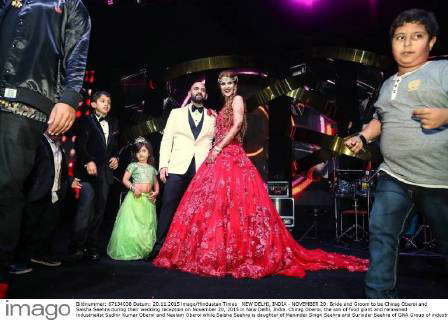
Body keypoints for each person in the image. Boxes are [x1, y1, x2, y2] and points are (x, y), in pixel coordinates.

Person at [153, 70, 368, 279]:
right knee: (216, 208)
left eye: (229, 83)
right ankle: (201, 249)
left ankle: (233, 253)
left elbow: (237, 124)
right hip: (207, 161)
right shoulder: (215, 110)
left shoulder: (237, 100)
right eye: (223, 84)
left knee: (235, 206)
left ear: (235, 84)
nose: (227, 87)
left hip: (229, 156)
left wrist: (218, 148)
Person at [345, 9, 448, 298]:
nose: (407, 44)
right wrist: (363, 137)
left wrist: (445, 115)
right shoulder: (388, 83)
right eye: (400, 37)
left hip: (438, 180)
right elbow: (382, 118)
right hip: (394, 174)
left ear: (431, 42)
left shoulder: (442, 71)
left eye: (416, 36)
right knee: (381, 233)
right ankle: (378, 300)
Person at [0, 0, 90, 296]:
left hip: (25, 101)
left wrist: (69, 97)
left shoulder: (69, 3)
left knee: (6, 187)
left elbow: (76, 50)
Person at [148, 81, 216, 258]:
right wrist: (163, 165)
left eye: (202, 89)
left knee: (198, 210)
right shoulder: (176, 113)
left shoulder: (212, 117)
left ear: (206, 95)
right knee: (168, 206)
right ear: (190, 92)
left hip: (201, 169)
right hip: (177, 167)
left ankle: (194, 250)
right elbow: (167, 140)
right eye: (196, 88)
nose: (199, 91)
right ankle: (159, 247)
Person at [69, 91, 119, 261]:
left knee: (99, 211)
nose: (106, 104)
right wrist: (87, 161)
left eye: (109, 102)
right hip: (87, 173)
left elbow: (113, 147)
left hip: (104, 173)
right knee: (86, 208)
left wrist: (115, 158)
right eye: (103, 101)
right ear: (93, 104)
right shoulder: (85, 120)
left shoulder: (113, 123)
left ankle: (92, 246)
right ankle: (76, 246)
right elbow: (80, 145)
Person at [15, 133, 74, 272]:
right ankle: (18, 262)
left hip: (54, 193)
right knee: (28, 228)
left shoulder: (60, 146)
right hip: (37, 192)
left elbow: (61, 169)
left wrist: (69, 182)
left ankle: (40, 255)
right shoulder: (38, 141)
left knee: (48, 227)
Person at [107, 137, 159, 260]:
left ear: (149, 152)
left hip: (147, 200)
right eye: (139, 151)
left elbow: (156, 183)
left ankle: (143, 250)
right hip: (134, 199)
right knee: (132, 224)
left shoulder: (152, 169)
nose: (141, 153)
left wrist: (156, 192)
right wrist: (132, 187)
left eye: (144, 151)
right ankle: (130, 249)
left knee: (146, 225)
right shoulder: (133, 165)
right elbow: (125, 179)